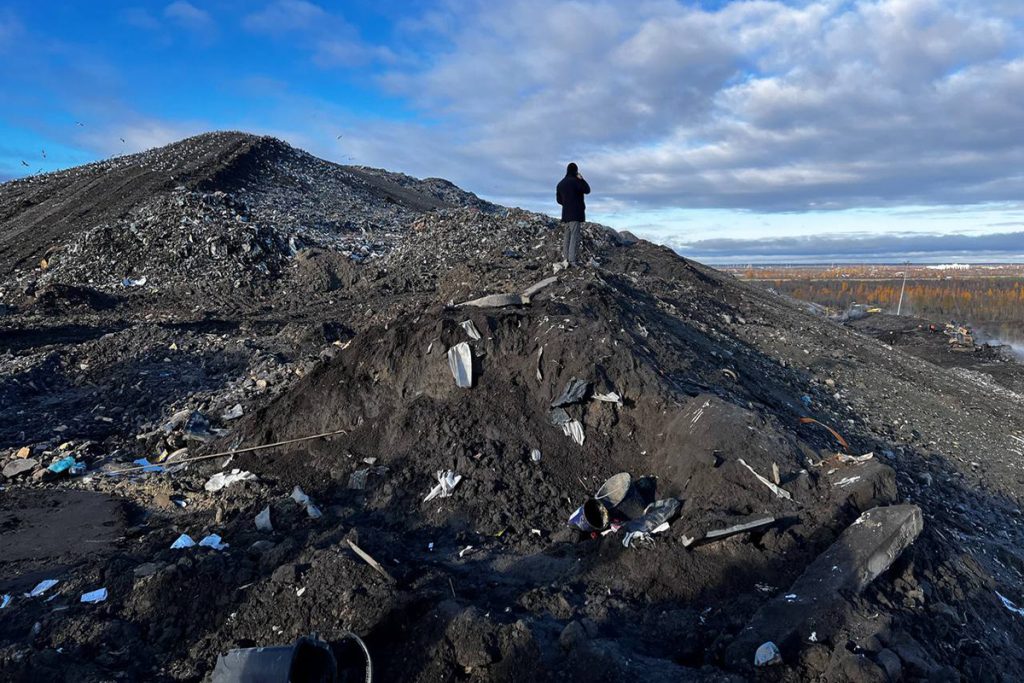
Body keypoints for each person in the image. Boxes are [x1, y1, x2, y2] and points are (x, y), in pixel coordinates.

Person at [556, 162, 591, 265]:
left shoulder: (560, 183)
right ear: (575, 171)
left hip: (565, 214)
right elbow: (587, 190)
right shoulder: (576, 181)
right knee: (574, 237)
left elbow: (558, 200)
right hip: (575, 213)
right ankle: (572, 260)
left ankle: (565, 259)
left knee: (567, 237)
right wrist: (582, 179)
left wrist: (567, 203)